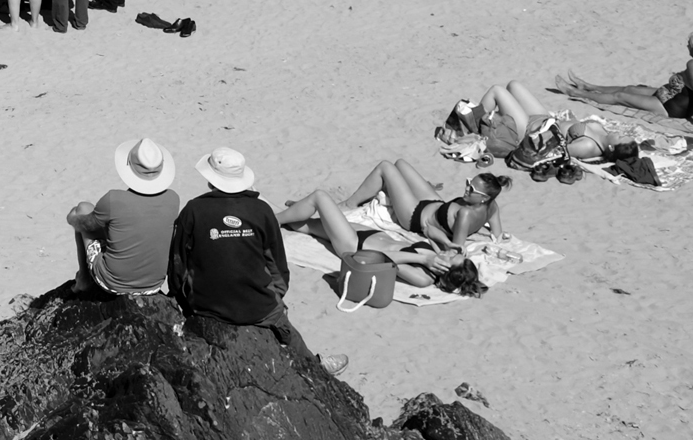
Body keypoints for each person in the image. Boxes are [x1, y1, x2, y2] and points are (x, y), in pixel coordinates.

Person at [168, 149, 315, 361]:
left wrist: (179, 296)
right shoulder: (261, 210)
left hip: (206, 305)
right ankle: (314, 365)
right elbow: (277, 264)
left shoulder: (193, 210)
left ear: (210, 179)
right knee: (289, 333)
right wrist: (277, 297)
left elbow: (178, 262)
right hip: (260, 307)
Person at [273, 162, 500, 294]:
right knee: (303, 226)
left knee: (320, 198)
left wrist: (423, 260)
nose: (449, 254)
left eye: (452, 258)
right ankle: (297, 210)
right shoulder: (436, 254)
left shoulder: (423, 277)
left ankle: (272, 219)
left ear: (445, 270)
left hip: (354, 244)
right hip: (369, 233)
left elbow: (376, 260)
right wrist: (447, 242)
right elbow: (429, 230)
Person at [67, 138, 181, 295]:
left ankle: (84, 280)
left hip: (113, 283)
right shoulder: (173, 199)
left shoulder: (114, 200)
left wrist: (72, 218)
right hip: (153, 285)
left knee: (81, 209)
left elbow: (86, 226)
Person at [554, 33, 693, 129]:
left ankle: (575, 92)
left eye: (689, 44)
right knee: (629, 89)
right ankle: (587, 86)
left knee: (620, 97)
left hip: (671, 107)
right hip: (674, 97)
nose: (687, 46)